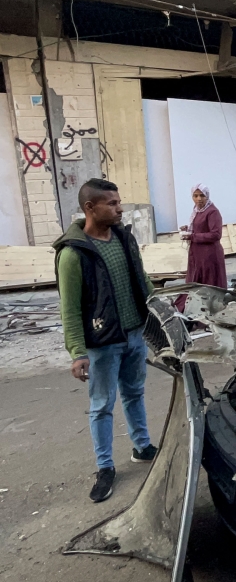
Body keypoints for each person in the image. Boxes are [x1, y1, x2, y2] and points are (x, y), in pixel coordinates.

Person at [54, 179, 157, 503]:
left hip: (134, 335)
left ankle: (142, 447)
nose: (119, 208)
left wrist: (162, 310)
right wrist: (77, 352)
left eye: (119, 201)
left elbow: (142, 280)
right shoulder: (73, 254)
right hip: (102, 343)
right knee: (101, 406)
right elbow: (69, 308)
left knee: (134, 393)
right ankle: (105, 467)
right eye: (111, 203)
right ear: (90, 208)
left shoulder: (124, 238)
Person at [176, 184, 227, 312]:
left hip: (209, 256)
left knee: (208, 285)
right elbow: (200, 229)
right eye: (195, 196)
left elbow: (216, 234)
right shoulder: (197, 211)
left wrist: (192, 236)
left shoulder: (212, 212)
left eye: (202, 195)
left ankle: (208, 312)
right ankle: (194, 310)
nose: (199, 199)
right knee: (196, 284)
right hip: (197, 255)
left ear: (207, 196)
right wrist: (187, 230)